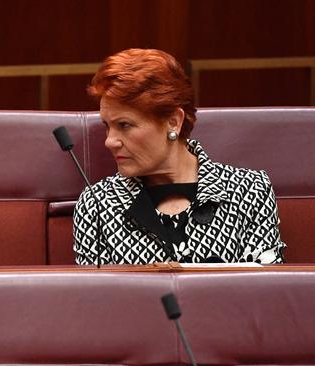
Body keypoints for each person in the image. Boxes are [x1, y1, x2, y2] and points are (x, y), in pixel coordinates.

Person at [73, 48, 286, 265]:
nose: (110, 141)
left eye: (124, 125)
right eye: (107, 126)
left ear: (173, 121)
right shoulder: (96, 205)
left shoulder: (249, 191)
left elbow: (267, 294)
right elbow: (95, 297)